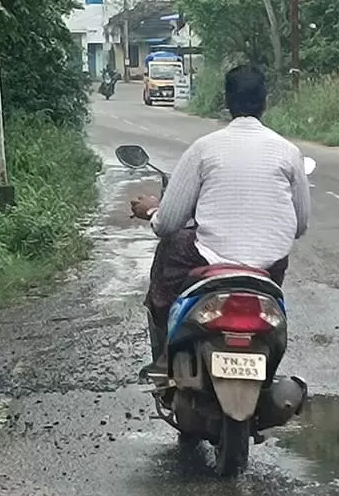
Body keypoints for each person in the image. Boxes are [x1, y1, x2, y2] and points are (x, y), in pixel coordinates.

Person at [130, 64, 311, 375]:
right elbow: (300, 225)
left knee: (171, 246)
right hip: (268, 268)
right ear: (265, 101)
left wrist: (152, 210)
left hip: (210, 260)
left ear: (227, 101)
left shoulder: (204, 149)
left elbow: (167, 223)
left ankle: (164, 353)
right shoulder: (288, 152)